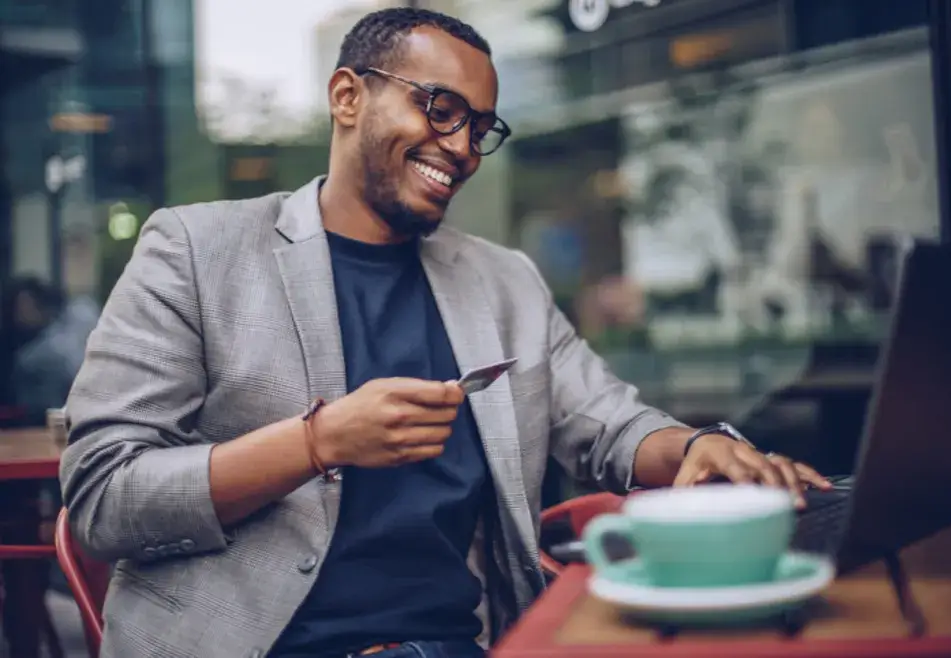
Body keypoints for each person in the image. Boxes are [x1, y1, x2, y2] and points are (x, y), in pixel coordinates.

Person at [59, 8, 830, 658]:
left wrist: (692, 448)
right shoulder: (198, 250)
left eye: (480, 127)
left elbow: (610, 424)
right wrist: (317, 442)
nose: (462, 147)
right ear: (347, 97)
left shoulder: (502, 281)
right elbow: (102, 497)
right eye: (439, 108)